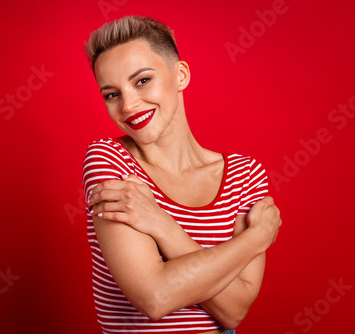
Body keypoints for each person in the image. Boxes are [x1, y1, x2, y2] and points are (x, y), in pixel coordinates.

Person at [82, 15, 282, 334]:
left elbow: (234, 311)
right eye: (112, 94)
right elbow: (155, 297)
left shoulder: (245, 175)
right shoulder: (109, 160)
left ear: (181, 75)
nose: (129, 105)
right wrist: (257, 238)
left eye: (142, 80)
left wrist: (162, 225)